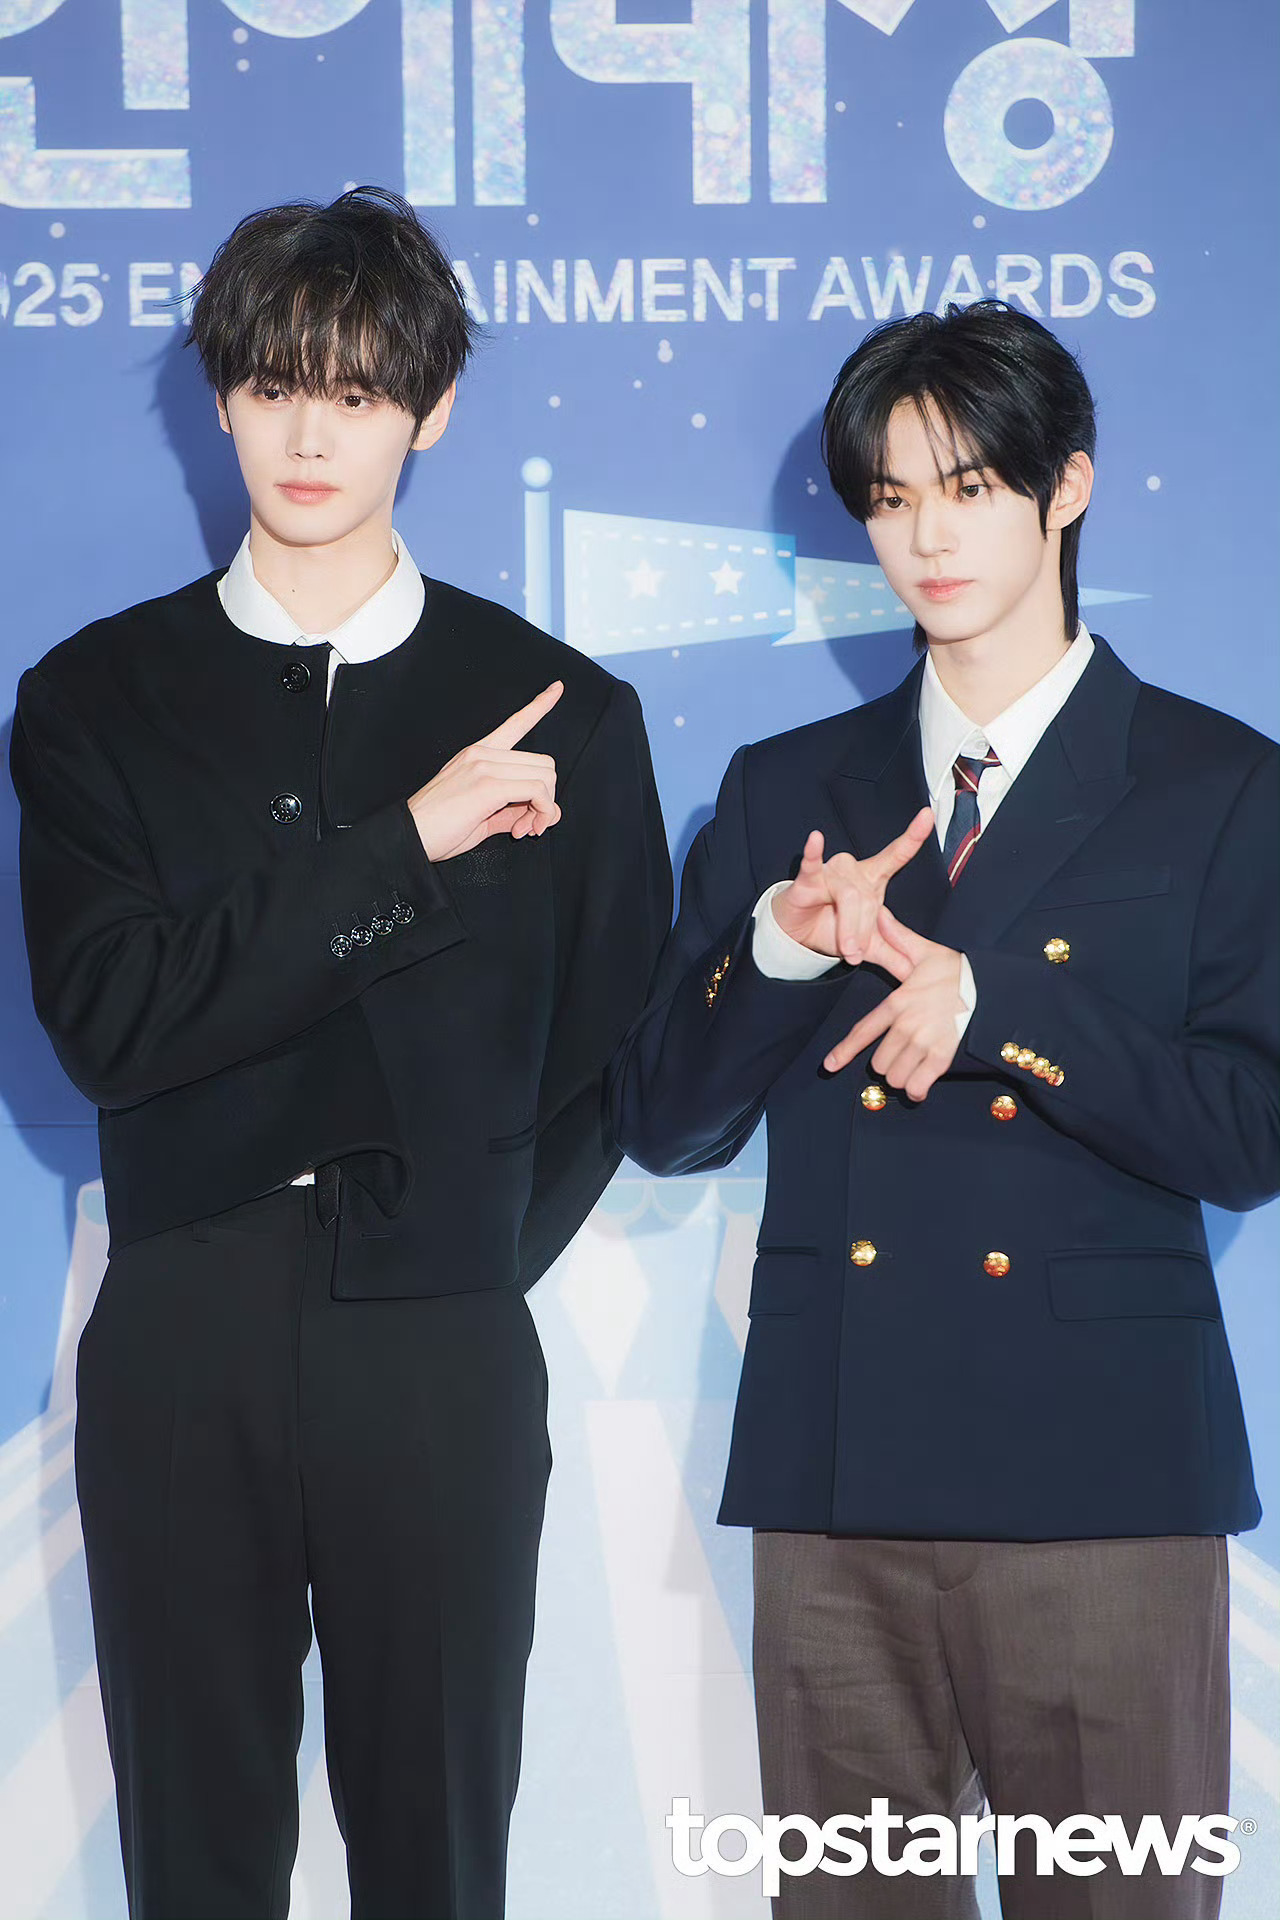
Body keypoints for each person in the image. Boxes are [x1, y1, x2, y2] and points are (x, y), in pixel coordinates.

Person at [9, 185, 671, 1920]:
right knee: (194, 1856)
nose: (312, 436)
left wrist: (461, 1249)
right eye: (275, 386)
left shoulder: (564, 712)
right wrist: (406, 848)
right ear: (220, 399)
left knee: (439, 1851)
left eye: (361, 392)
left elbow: (605, 1050)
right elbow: (114, 1020)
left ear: (431, 412)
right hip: (184, 1320)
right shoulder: (96, 698)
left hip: (439, 1337)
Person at [608, 300, 1279, 1918]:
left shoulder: (1220, 785)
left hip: (1101, 1488)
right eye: (893, 499)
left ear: (1067, 489)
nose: (928, 538)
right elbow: (667, 1123)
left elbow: (1248, 1135)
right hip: (840, 1484)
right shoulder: (786, 790)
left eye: (971, 489)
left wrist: (1006, 1014)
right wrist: (780, 946)